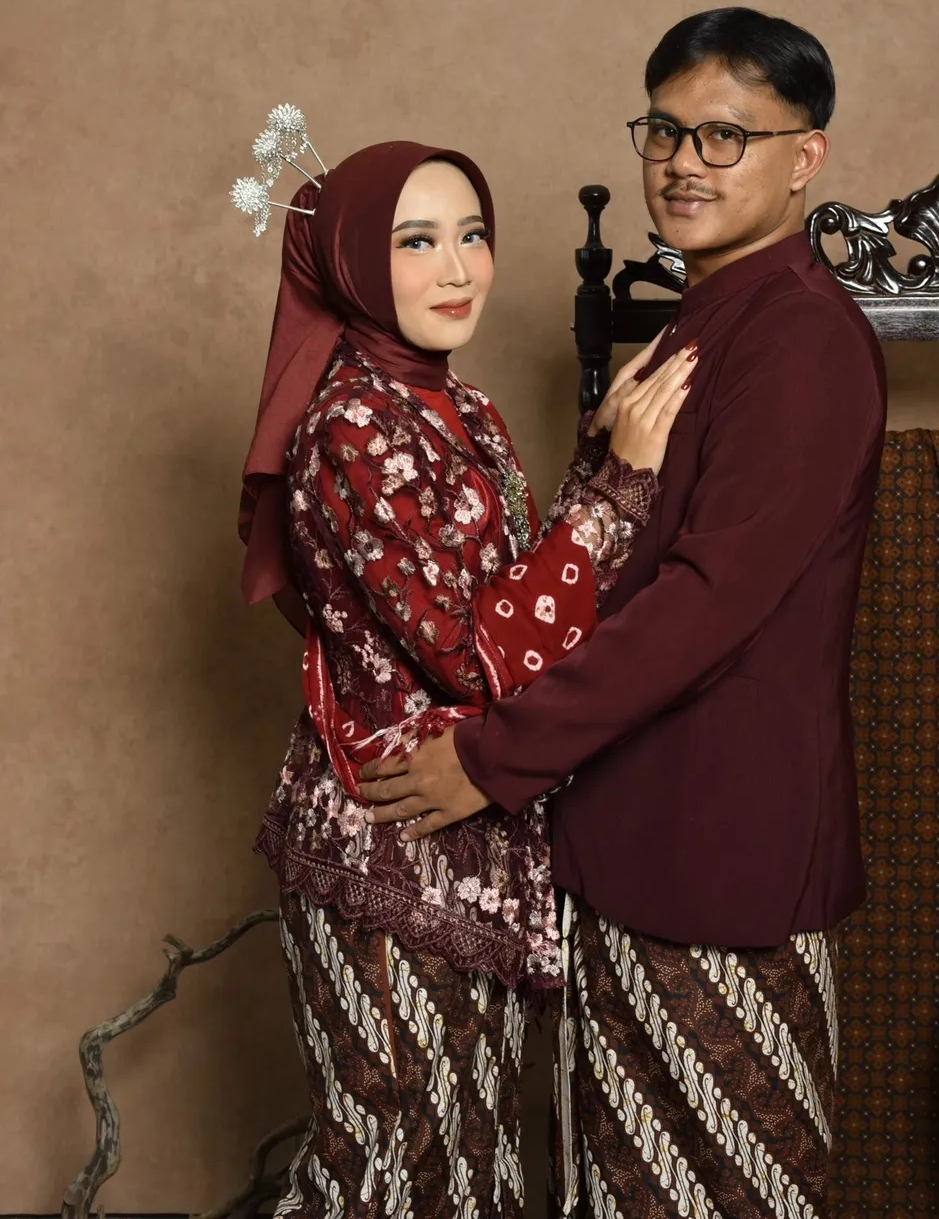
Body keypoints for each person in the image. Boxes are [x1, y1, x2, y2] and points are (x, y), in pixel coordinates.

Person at [359, 9, 888, 1218]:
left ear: (802, 158)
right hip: (628, 834)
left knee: (723, 1192)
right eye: (664, 131)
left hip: (720, 856)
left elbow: (706, 605)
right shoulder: (709, 316)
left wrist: (492, 758)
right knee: (622, 1188)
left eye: (724, 137)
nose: (683, 163)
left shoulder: (801, 340)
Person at [235, 135, 693, 1218]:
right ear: (353, 263)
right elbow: (469, 653)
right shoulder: (348, 427)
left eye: (472, 234)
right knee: (387, 1169)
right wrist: (617, 487)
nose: (457, 269)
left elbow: (526, 597)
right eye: (416, 242)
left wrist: (598, 464)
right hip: (387, 848)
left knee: (466, 1165)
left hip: (477, 844)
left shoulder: (462, 407)